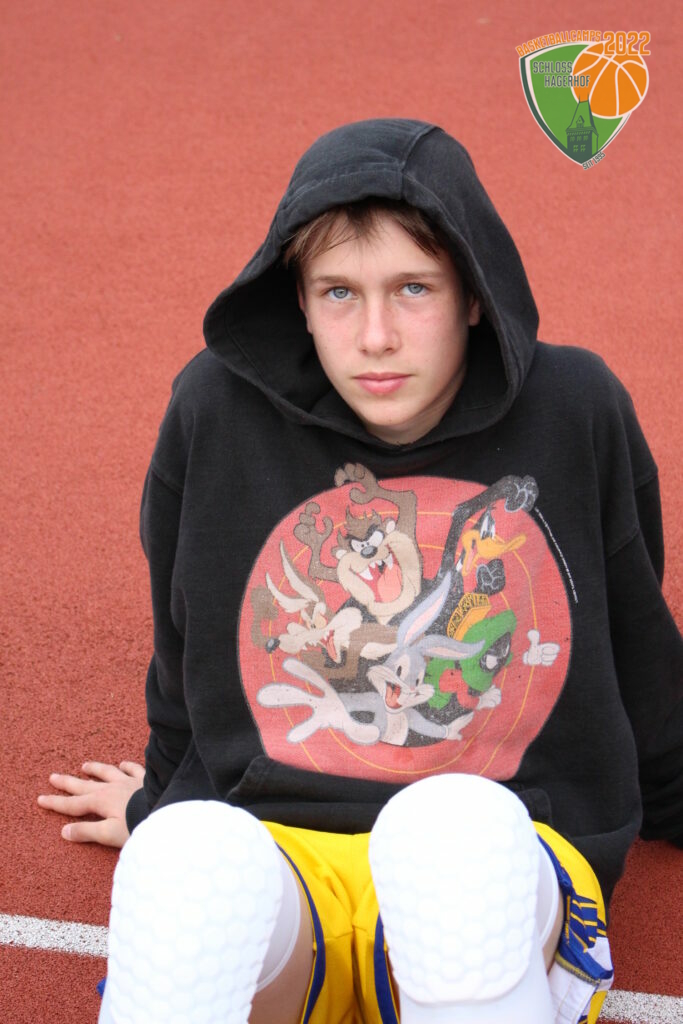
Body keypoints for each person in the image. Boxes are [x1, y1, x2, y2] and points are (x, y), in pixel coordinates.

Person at [38, 119, 683, 1024]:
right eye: (338, 292)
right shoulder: (213, 408)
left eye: (412, 288)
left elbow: (634, 632)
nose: (374, 336)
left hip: (500, 855)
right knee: (184, 856)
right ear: (298, 301)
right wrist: (157, 802)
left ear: (473, 292)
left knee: (449, 831)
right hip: (288, 866)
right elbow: (186, 637)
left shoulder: (574, 406)